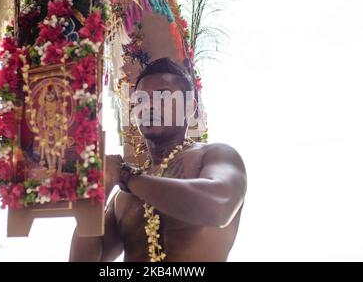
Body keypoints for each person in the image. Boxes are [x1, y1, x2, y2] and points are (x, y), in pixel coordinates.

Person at [69, 57, 247, 262]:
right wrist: (95, 196)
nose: (149, 106)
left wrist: (127, 176)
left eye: (162, 96)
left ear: (190, 107)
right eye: (140, 100)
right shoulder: (122, 197)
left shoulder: (216, 155)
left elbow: (218, 207)